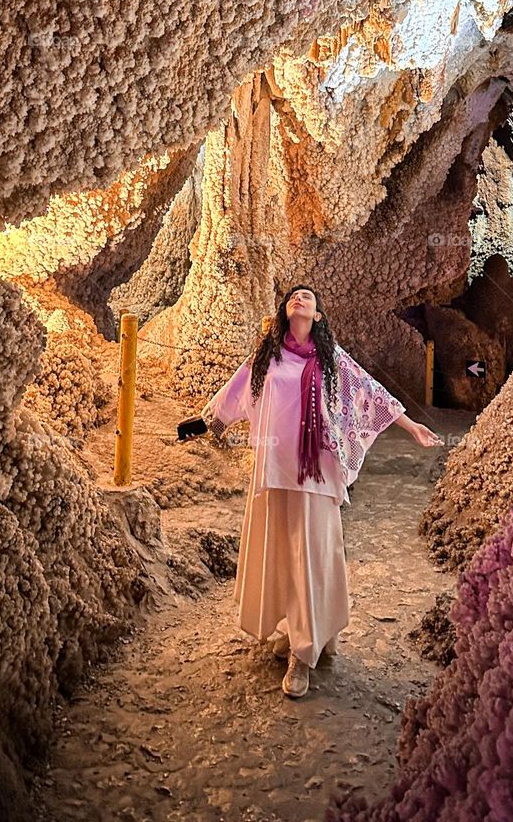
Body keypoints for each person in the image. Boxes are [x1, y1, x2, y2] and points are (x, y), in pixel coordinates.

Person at [179, 284, 444, 698]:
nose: (298, 299)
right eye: (292, 296)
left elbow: (371, 394)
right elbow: (232, 397)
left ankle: (303, 655)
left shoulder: (331, 361)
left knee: (311, 555)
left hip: (315, 475)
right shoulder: (266, 358)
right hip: (273, 471)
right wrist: (199, 425)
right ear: (286, 312)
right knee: (281, 554)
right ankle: (294, 626)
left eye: (307, 297)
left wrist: (412, 428)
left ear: (318, 316)